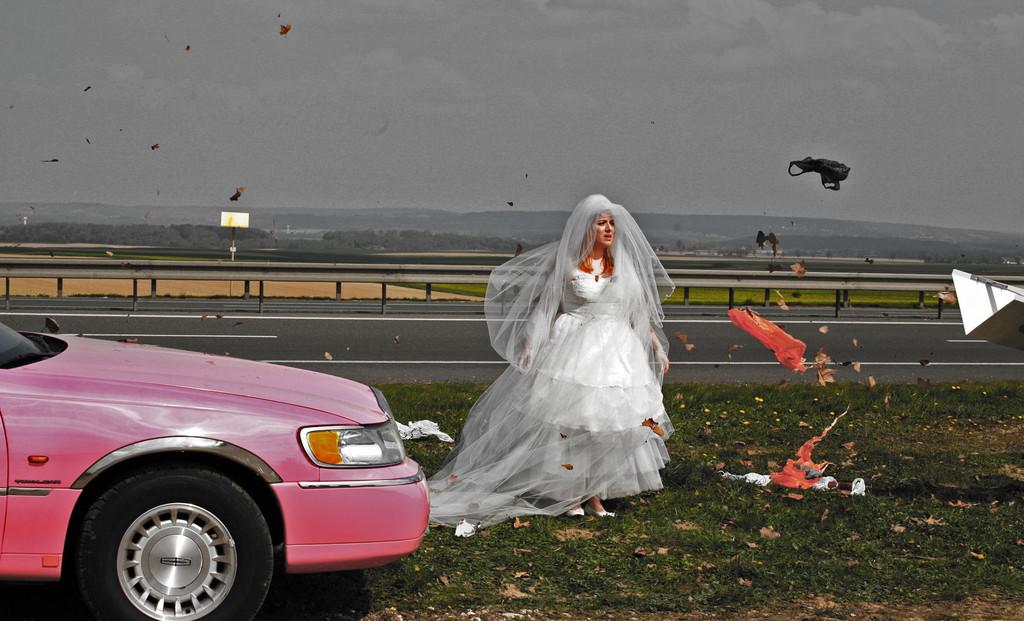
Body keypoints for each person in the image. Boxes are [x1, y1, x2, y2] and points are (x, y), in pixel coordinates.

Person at [427, 194, 676, 527]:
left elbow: (637, 314)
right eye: (601, 223)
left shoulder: (623, 267)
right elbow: (546, 309)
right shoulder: (567, 265)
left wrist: (656, 348)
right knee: (569, 426)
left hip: (617, 353)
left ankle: (595, 495)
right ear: (586, 227)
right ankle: (571, 494)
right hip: (574, 349)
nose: (608, 229)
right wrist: (530, 345)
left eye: (612, 223)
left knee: (604, 427)